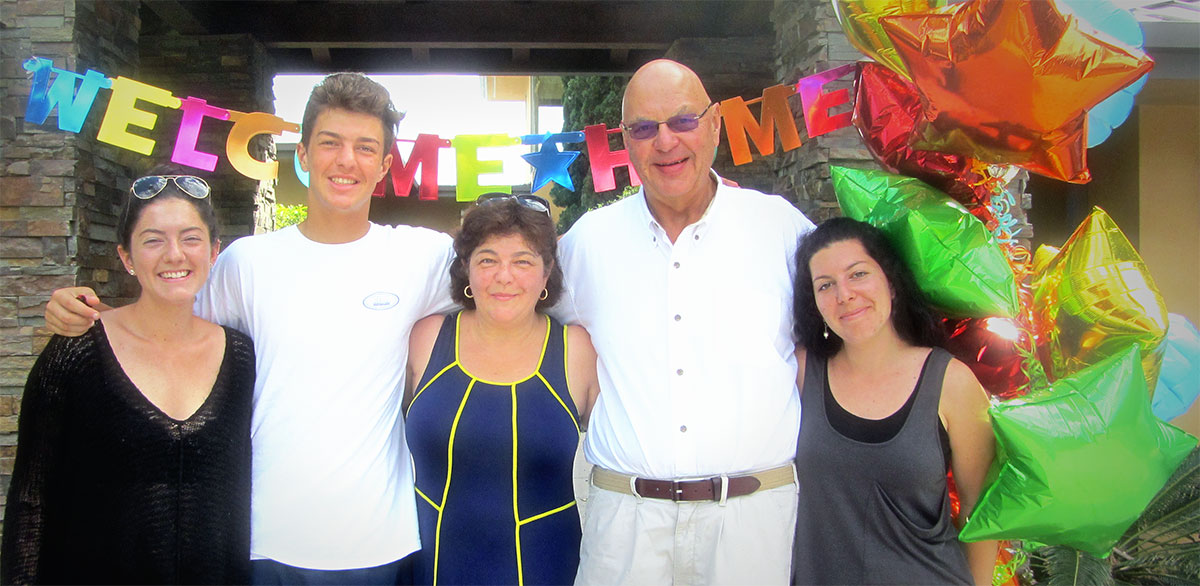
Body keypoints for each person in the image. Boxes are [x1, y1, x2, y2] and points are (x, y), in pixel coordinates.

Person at [42, 73, 456, 584]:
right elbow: (169, 329)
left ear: (386, 166)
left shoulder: (423, 257)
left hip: (379, 542)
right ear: (301, 154)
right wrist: (86, 313)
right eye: (330, 143)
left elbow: (519, 283)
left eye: (364, 147)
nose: (346, 160)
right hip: (260, 539)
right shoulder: (246, 263)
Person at [554, 58, 816, 584]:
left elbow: (837, 340)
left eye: (683, 121)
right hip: (625, 528)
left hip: (753, 523)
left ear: (716, 124)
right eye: (645, 129)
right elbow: (530, 330)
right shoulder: (587, 243)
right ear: (625, 142)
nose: (666, 142)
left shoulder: (782, 230)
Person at [3, 169, 254, 584]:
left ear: (213, 253)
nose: (174, 254)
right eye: (153, 240)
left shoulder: (241, 356)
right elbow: (31, 500)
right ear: (126, 257)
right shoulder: (77, 349)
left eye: (190, 238)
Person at [403, 193, 600, 585]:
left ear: (546, 276)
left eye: (523, 261)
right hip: (432, 566)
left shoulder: (577, 349)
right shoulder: (425, 338)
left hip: (547, 567)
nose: (504, 276)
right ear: (467, 271)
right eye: (488, 260)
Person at [790, 217, 999, 585]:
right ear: (815, 305)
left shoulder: (950, 381)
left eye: (857, 274)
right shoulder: (801, 373)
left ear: (891, 281)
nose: (844, 295)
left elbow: (979, 511)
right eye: (825, 285)